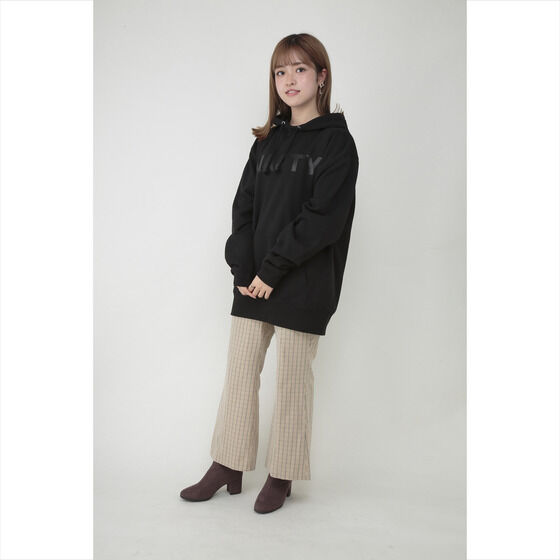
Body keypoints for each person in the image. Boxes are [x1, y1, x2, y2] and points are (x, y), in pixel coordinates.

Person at [180, 32, 359, 514]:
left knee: (294, 380)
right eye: (281, 71)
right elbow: (244, 207)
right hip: (253, 280)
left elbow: (323, 220)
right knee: (239, 373)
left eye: (300, 69)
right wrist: (243, 266)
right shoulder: (267, 141)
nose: (289, 79)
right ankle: (228, 464)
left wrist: (274, 269)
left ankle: (281, 474)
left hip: (303, 282)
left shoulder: (337, 144)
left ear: (322, 77)